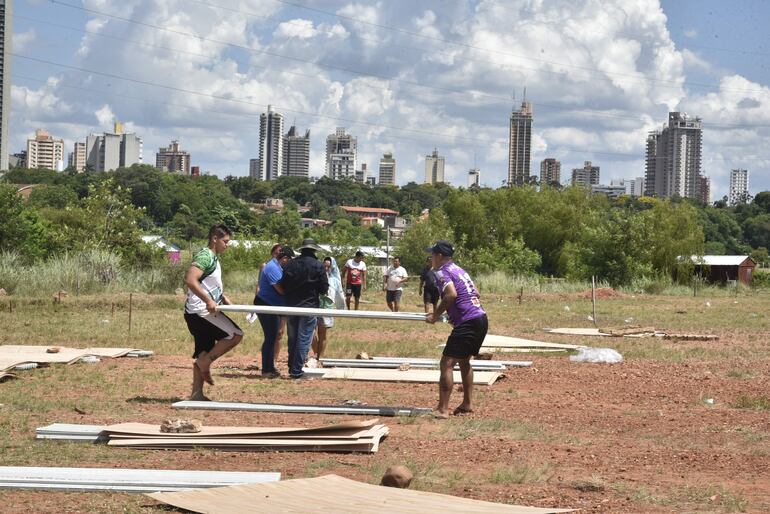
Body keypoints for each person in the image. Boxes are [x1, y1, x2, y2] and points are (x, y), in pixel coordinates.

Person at [425, 240, 488, 419]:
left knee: (447, 363)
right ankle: (467, 404)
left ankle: (442, 409)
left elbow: (451, 294)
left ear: (439, 256)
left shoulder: (442, 272)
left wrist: (435, 316)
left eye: (432, 255)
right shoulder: (460, 270)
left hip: (468, 321)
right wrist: (456, 315)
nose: (430, 259)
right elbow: (475, 292)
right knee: (464, 361)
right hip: (480, 318)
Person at [183, 224, 243, 401]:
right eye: (225, 241)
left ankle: (196, 394)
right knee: (235, 335)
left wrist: (222, 297)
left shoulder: (213, 258)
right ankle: (205, 363)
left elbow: (207, 283)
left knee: (204, 351)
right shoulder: (205, 256)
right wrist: (208, 301)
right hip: (201, 311)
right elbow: (190, 280)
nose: (227, 245)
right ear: (214, 239)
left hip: (198, 311)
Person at [279, 238, 329, 379]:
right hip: (309, 306)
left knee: (293, 338)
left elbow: (283, 285)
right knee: (304, 339)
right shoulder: (318, 266)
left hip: (291, 306)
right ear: (314, 250)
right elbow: (324, 288)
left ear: (302, 249)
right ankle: (296, 371)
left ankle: (291, 367)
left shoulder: (291, 264)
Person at [254, 246, 294, 378]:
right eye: (290, 260)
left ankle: (269, 367)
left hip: (272, 305)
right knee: (270, 337)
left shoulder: (276, 266)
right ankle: (266, 370)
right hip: (266, 304)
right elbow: (281, 290)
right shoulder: (272, 268)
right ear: (285, 259)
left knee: (273, 336)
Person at [255, 244, 286, 365]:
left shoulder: (282, 267)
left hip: (280, 305)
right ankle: (269, 364)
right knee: (272, 335)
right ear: (273, 253)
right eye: (278, 251)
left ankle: (274, 361)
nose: (281, 253)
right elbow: (279, 289)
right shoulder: (269, 266)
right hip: (269, 303)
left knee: (279, 334)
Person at [312, 256, 345, 361]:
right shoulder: (316, 277)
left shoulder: (335, 280)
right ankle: (316, 352)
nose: (326, 268)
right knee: (311, 332)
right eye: (324, 266)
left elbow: (339, 295)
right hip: (314, 306)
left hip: (327, 307)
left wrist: (341, 308)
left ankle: (320, 357)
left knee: (322, 333)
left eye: (328, 266)